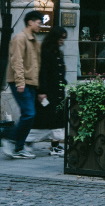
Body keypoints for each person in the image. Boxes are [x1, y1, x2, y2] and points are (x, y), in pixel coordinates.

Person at [3, 12, 43, 159]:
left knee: (29, 115)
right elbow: (17, 61)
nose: (40, 25)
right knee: (29, 113)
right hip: (21, 82)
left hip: (31, 83)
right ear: (30, 22)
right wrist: (20, 82)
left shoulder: (34, 40)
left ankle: (18, 147)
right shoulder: (20, 38)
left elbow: (37, 65)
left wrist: (38, 87)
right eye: (39, 22)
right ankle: (10, 138)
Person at [31, 26, 67, 156]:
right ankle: (26, 142)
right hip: (49, 91)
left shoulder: (57, 52)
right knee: (45, 118)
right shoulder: (46, 52)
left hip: (58, 91)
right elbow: (43, 73)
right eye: (60, 38)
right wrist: (42, 91)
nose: (62, 41)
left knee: (57, 118)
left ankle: (55, 146)